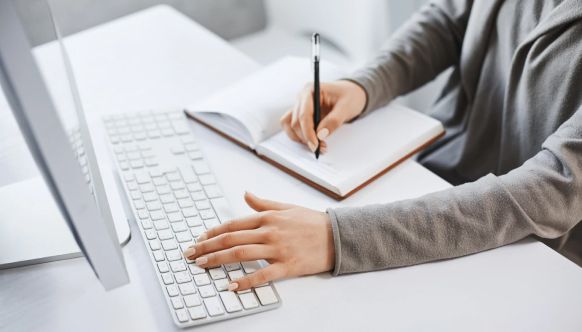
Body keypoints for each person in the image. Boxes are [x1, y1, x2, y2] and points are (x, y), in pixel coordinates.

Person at [183, 0, 582, 291]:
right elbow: (448, 20)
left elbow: (551, 190)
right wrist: (365, 85)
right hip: (432, 188)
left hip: (535, 259)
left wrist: (337, 238)